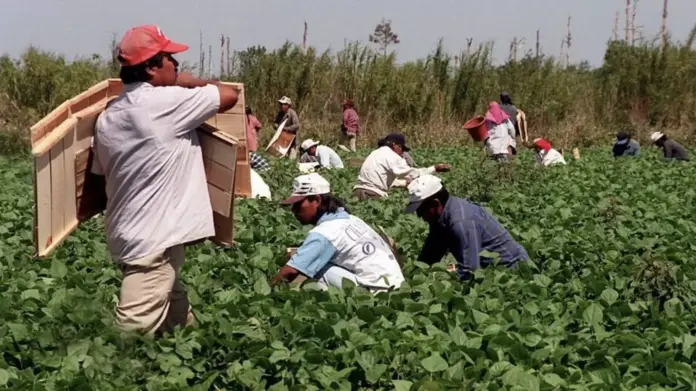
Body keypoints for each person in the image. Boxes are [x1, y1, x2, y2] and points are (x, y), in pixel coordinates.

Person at [88, 25, 240, 337]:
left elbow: (99, 174)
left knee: (177, 321)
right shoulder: (162, 103)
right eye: (170, 58)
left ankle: (195, 352)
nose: (177, 64)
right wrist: (186, 82)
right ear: (151, 67)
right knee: (126, 337)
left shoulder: (109, 116)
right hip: (155, 241)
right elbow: (229, 96)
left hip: (130, 233)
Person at [272, 173, 405, 292]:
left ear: (317, 200)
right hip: (397, 286)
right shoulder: (351, 219)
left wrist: (268, 290)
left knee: (316, 268)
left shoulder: (325, 232)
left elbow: (291, 271)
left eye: (298, 204)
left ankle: (329, 311)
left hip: (375, 290)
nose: (294, 210)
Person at [405, 175, 528, 280]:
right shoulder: (440, 218)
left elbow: (470, 270)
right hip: (487, 270)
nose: (419, 215)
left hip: (511, 271)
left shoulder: (461, 221)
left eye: (421, 209)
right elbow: (430, 253)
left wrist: (440, 279)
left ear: (436, 203)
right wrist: (413, 276)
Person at [353, 133, 450, 200]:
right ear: (395, 145)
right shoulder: (392, 156)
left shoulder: (375, 153)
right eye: (402, 149)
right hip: (372, 195)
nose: (402, 152)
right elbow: (412, 174)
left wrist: (404, 183)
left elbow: (381, 179)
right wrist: (434, 168)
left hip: (357, 193)